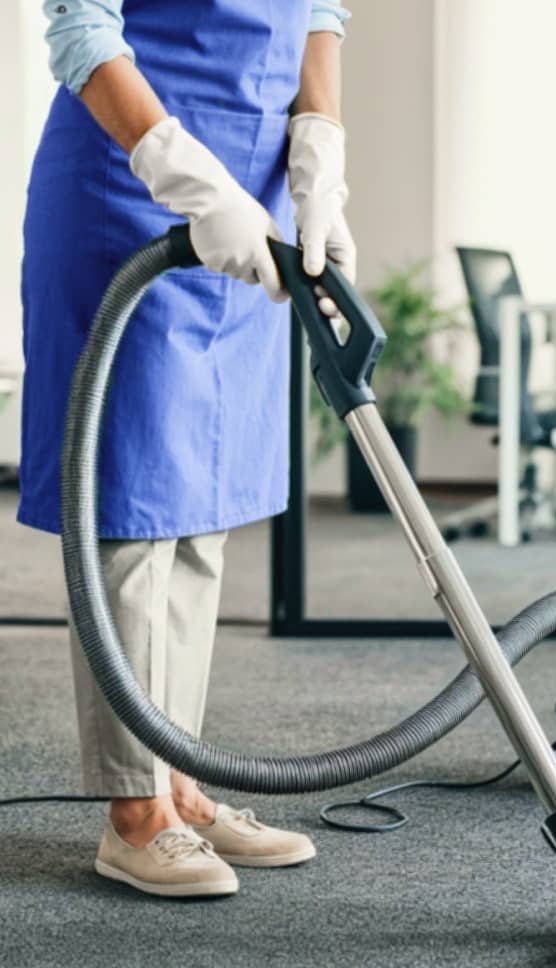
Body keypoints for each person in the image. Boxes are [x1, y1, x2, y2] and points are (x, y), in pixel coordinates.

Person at [18, 0, 356, 898]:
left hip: (254, 200)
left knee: (201, 503)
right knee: (130, 504)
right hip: (131, 183)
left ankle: (177, 783)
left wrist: (319, 153)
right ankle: (133, 816)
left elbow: (319, 13)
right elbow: (81, 33)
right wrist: (191, 179)